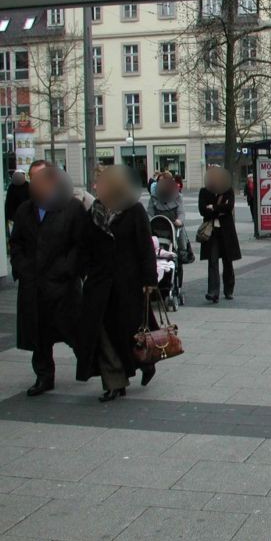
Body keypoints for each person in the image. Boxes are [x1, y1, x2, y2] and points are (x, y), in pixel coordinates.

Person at [77, 165, 158, 402]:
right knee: (103, 334)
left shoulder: (133, 211)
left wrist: (149, 281)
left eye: (100, 183)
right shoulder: (94, 213)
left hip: (127, 285)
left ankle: (147, 363)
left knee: (131, 334)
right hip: (99, 285)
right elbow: (85, 246)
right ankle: (115, 382)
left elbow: (145, 248)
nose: (96, 187)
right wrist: (83, 270)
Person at [10, 164, 87, 396]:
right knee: (39, 334)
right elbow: (16, 243)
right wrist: (23, 268)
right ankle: (43, 376)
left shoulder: (71, 208)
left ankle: (96, 366)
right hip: (34, 286)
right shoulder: (25, 210)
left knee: (75, 331)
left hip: (63, 286)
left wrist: (67, 269)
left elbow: (82, 245)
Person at [199, 166, 242, 302]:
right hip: (212, 232)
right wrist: (219, 210)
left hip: (226, 231)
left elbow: (229, 208)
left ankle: (229, 289)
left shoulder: (228, 191)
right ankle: (213, 292)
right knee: (212, 261)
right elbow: (202, 210)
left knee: (227, 261)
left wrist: (213, 207)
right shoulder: (204, 192)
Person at [147, 174, 189, 258]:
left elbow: (181, 212)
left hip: (173, 226)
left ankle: (182, 251)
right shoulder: (153, 197)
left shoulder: (178, 197)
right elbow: (149, 213)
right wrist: (150, 221)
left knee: (180, 231)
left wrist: (179, 220)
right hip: (157, 227)